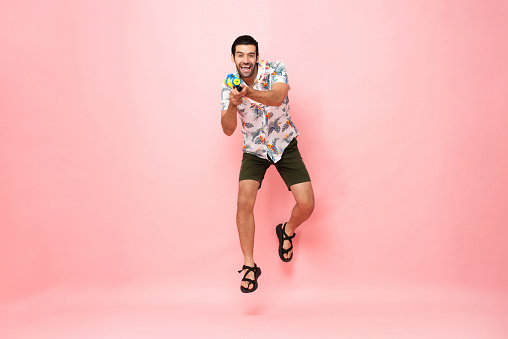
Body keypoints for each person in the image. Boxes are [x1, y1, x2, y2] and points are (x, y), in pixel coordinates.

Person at [220, 35, 314, 293]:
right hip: (254, 150)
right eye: (240, 55)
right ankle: (249, 266)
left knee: (307, 204)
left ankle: (287, 230)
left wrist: (249, 93)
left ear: (257, 57)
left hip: (284, 143)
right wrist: (232, 104)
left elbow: (276, 97)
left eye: (251, 55)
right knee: (243, 202)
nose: (246, 60)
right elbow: (228, 129)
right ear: (233, 58)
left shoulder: (276, 70)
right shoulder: (228, 88)